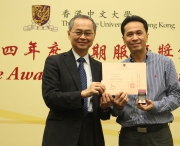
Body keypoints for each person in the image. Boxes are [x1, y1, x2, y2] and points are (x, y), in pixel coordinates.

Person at [41, 14, 127, 146]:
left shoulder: (100, 67)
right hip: (62, 132)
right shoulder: (54, 62)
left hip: (92, 132)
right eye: (78, 32)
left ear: (94, 36)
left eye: (88, 33)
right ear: (69, 34)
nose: (83, 37)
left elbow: (104, 115)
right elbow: (50, 98)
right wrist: (83, 93)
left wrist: (104, 107)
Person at [112, 15, 180, 146]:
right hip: (129, 136)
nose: (134, 38)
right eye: (129, 34)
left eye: (139, 33)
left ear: (147, 36)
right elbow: (115, 110)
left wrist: (154, 106)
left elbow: (177, 97)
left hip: (159, 135)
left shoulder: (165, 63)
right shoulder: (118, 70)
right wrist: (117, 106)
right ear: (124, 39)